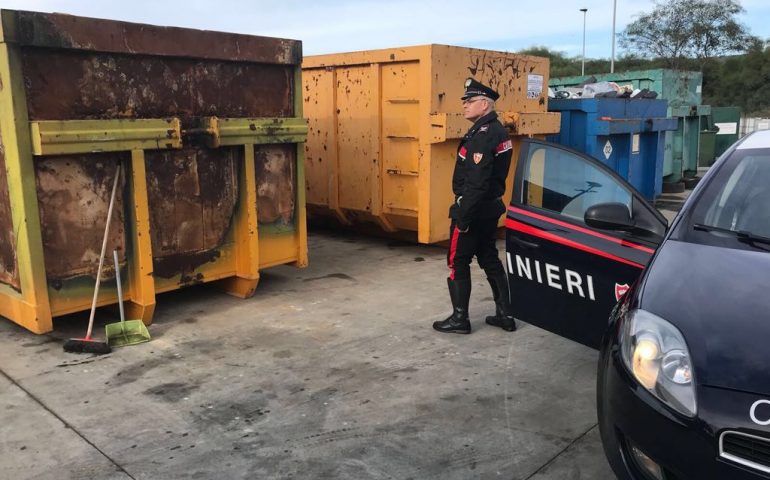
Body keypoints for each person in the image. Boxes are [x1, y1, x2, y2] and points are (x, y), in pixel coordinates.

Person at [432, 78, 517, 335]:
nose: (465, 105)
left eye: (470, 101)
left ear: (484, 104)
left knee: (457, 260)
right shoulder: (497, 131)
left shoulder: (482, 136)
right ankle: (505, 315)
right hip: (490, 208)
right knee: (489, 257)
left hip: (474, 209)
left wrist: (464, 217)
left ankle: (460, 319)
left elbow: (477, 183)